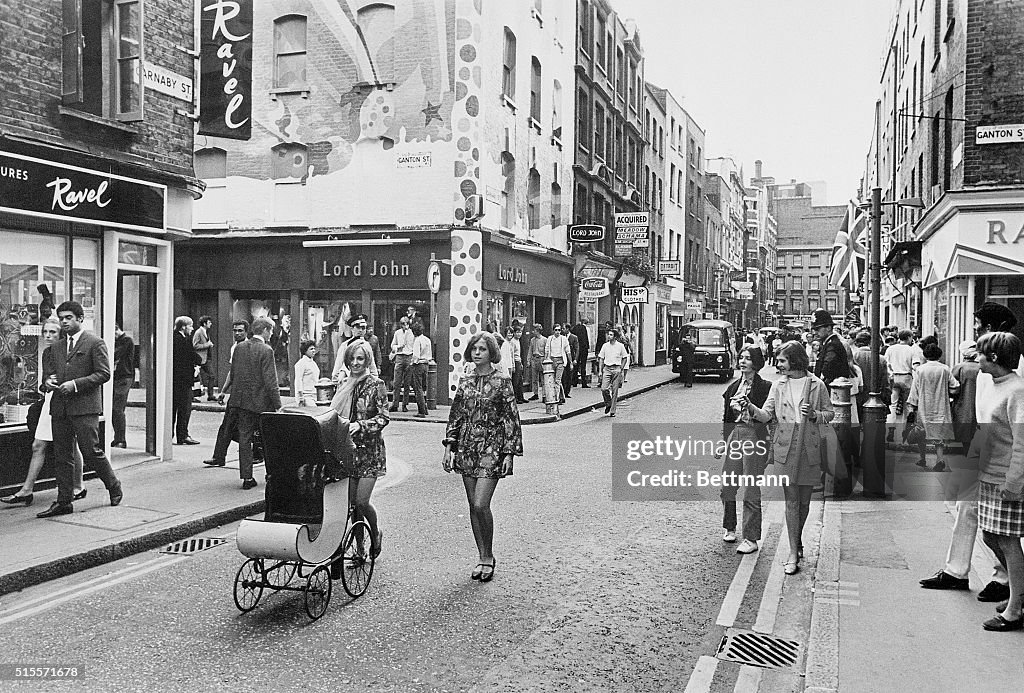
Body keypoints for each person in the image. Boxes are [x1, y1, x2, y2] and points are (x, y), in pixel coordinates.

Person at [919, 302, 1022, 599]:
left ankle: (1004, 580)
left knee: (1001, 530)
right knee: (966, 508)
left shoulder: (1016, 369)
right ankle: (956, 570)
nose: (974, 328)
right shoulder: (982, 369)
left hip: (1004, 459)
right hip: (981, 448)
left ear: (993, 329)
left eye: (979, 324)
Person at [745, 341, 834, 575]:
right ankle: (793, 552)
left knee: (804, 502)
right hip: (785, 446)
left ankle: (797, 539)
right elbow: (766, 415)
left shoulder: (817, 384)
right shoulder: (778, 385)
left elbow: (830, 413)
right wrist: (750, 407)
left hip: (809, 446)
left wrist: (815, 415)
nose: (779, 364)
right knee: (791, 501)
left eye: (783, 360)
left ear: (794, 360)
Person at [443, 332, 523, 582]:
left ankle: (489, 555)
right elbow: (456, 416)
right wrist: (449, 447)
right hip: (467, 448)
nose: (477, 353)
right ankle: (482, 557)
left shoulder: (502, 381)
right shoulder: (465, 381)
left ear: (491, 353)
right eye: (474, 349)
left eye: (482, 349)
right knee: (472, 506)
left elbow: (511, 418)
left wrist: (510, 452)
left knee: (481, 503)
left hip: (492, 447)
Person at [36, 301, 123, 518]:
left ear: (80, 319)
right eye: (62, 318)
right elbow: (47, 377)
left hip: (85, 408)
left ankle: (113, 486)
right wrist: (48, 382)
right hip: (60, 409)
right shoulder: (54, 348)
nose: (64, 322)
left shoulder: (95, 342)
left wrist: (74, 385)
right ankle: (64, 501)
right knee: (62, 456)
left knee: (91, 451)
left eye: (69, 318)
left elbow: (104, 374)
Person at [2, 318, 85, 507]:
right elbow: (44, 380)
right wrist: (46, 383)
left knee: (71, 445)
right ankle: (27, 490)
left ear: (61, 334)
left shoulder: (68, 352)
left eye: (53, 332)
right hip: (50, 402)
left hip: (67, 402)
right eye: (45, 332)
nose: (48, 336)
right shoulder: (47, 353)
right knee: (38, 445)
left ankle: (79, 486)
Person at [973, 331, 1024, 631]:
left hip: (1006, 477)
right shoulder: (995, 385)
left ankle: (1015, 608)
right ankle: (1020, 592)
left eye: (980, 353)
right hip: (989, 473)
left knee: (1006, 540)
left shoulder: (1017, 391)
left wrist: (1014, 482)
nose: (975, 357)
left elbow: (1021, 442)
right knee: (991, 536)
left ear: (994, 358)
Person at [329, 340, 388, 576]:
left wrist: (360, 426)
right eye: (352, 359)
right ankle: (360, 548)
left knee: (362, 501)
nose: (355, 363)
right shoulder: (344, 383)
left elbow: (384, 417)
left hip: (370, 451)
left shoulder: (377, 385)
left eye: (360, 359)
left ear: (368, 361)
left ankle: (375, 533)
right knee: (351, 505)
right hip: (348, 451)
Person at [203, 317, 281, 489]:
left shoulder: (239, 348)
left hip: (240, 401)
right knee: (268, 440)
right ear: (266, 330)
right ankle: (272, 475)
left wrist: (226, 392)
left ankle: (247, 478)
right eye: (271, 330)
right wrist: (278, 405)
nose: (272, 334)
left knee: (245, 439)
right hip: (261, 404)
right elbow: (271, 382)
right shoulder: (266, 350)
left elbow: (234, 373)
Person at [717, 346, 772, 554]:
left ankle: (751, 537)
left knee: (750, 487)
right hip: (736, 436)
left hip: (754, 436)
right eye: (741, 357)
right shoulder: (732, 388)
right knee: (727, 485)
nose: (743, 361)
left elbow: (768, 417)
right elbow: (726, 419)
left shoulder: (765, 388)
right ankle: (730, 526)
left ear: (756, 363)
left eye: (748, 359)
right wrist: (723, 441)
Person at [907, 343, 959, 472]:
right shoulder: (945, 369)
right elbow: (955, 386)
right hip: (941, 404)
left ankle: (922, 458)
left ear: (925, 356)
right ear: (939, 355)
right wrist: (948, 392)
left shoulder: (920, 370)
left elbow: (915, 389)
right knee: (938, 432)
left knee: (921, 432)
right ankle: (939, 459)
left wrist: (912, 405)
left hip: (924, 405)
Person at [172, 316, 202, 445]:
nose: (192, 328)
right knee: (184, 409)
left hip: (175, 380)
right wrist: (198, 362)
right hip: (183, 380)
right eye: (190, 326)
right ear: (183, 327)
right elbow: (193, 356)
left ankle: (169, 434)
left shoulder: (173, 338)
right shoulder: (183, 340)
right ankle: (183, 435)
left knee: (173, 408)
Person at [885, 330, 916, 442]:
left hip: (894, 377)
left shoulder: (890, 349)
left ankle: (891, 430)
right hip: (906, 377)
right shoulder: (911, 350)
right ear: (908, 337)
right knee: (907, 405)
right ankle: (905, 431)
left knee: (893, 404)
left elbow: (886, 363)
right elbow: (915, 366)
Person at [951, 340, 981, 454]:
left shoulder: (958, 368)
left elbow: (952, 388)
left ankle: (967, 452)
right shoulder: (982, 368)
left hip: (962, 404)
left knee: (964, 431)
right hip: (979, 403)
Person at [332, 313, 378, 382]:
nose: (360, 330)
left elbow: (372, 367)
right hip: (347, 381)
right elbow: (338, 366)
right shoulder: (345, 345)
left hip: (364, 382)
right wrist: (336, 382)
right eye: (358, 327)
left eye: (363, 328)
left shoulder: (367, 345)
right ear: (352, 329)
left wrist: (374, 380)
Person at [110, 323, 135, 448]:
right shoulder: (121, 341)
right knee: (114, 409)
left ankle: (121, 439)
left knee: (117, 409)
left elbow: (115, 354)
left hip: (124, 377)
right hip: (117, 377)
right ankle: (117, 438)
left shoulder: (126, 340)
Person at [598, 327, 629, 417]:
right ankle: (608, 403)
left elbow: (625, 357)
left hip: (616, 369)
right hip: (607, 368)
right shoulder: (605, 346)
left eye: (611, 335)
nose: (609, 336)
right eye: (608, 334)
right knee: (604, 388)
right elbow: (601, 358)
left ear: (615, 337)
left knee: (615, 391)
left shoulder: (620, 346)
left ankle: (612, 411)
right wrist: (600, 371)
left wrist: (621, 368)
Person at [389, 316, 415, 412]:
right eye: (403, 324)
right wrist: (397, 347)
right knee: (397, 382)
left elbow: (414, 346)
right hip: (399, 356)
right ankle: (395, 404)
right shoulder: (397, 333)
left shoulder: (412, 333)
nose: (405, 326)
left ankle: (405, 404)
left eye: (406, 324)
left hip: (408, 356)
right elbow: (392, 345)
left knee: (407, 383)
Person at [545, 323, 573, 404]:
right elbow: (547, 350)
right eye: (556, 330)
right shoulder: (550, 339)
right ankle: (562, 397)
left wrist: (570, 362)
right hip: (552, 361)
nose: (557, 332)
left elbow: (568, 351)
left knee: (557, 380)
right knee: (554, 380)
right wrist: (546, 360)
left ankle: (556, 398)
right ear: (553, 330)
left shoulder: (563, 339)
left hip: (560, 361)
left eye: (559, 330)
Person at [409, 321, 431, 417]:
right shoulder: (427, 339)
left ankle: (421, 411)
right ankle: (425, 409)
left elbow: (416, 355)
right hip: (426, 364)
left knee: (418, 389)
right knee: (423, 387)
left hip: (418, 365)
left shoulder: (417, 340)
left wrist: (412, 363)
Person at [192, 315, 216, 401]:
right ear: (204, 323)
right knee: (196, 378)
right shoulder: (198, 332)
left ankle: (210, 395)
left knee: (211, 376)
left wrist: (209, 344)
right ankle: (193, 396)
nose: (211, 324)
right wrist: (207, 345)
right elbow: (195, 345)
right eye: (209, 322)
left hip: (206, 358)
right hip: (199, 358)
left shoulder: (206, 332)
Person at [501, 325, 525, 404]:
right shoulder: (507, 343)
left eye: (511, 333)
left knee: (519, 381)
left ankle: (519, 397)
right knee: (514, 382)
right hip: (509, 364)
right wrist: (513, 365)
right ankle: (514, 398)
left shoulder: (513, 342)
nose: (510, 335)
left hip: (514, 363)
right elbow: (508, 356)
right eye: (509, 333)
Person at [293, 340, 320, 407]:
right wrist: (301, 397)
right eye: (311, 349)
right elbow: (298, 380)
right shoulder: (301, 363)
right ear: (305, 351)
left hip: (315, 395)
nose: (313, 350)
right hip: (306, 396)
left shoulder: (313, 363)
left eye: (314, 349)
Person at [527, 323, 546, 401]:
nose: (532, 332)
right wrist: (528, 360)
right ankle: (536, 393)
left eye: (534, 330)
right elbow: (530, 351)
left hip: (542, 359)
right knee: (534, 378)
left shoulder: (545, 340)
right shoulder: (532, 340)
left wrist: (546, 360)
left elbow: (547, 351)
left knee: (543, 378)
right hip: (534, 359)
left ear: (538, 331)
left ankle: (544, 395)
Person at [571, 319, 591, 388]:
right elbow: (587, 339)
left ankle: (574, 382)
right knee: (583, 366)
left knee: (576, 366)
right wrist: (587, 347)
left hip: (577, 349)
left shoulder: (575, 328)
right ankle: (584, 383)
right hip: (583, 349)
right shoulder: (585, 328)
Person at [563, 324, 579, 399]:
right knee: (563, 376)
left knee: (569, 376)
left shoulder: (574, 337)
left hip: (570, 358)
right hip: (563, 358)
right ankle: (562, 391)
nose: (563, 330)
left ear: (568, 329)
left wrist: (575, 359)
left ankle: (567, 392)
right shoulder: (562, 337)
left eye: (564, 328)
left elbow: (577, 349)